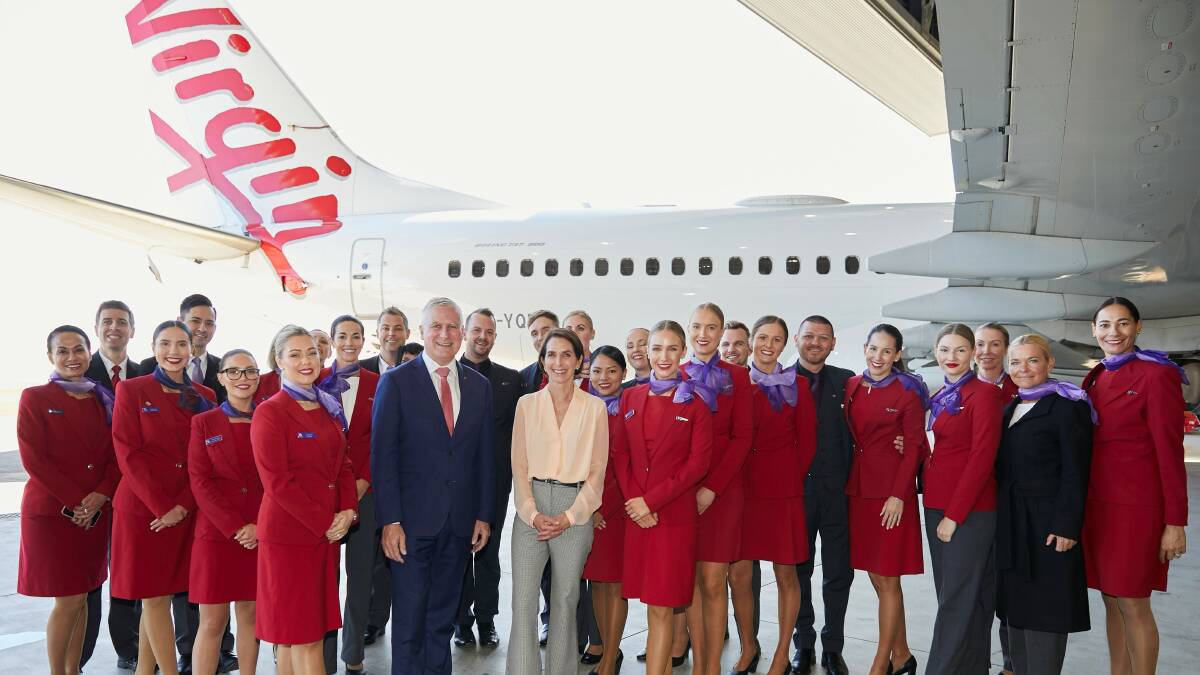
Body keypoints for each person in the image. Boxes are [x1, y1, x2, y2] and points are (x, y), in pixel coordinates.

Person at [371, 297, 495, 674]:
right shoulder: (395, 383)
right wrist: (389, 519)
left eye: (452, 326)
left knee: (442, 618)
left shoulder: (479, 386)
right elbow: (383, 457)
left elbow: (485, 457)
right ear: (421, 332)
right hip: (409, 525)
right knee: (409, 620)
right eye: (436, 326)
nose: (445, 334)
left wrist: (483, 515)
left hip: (458, 525)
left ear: (461, 333)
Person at [1082, 297, 1188, 675]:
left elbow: (1170, 452)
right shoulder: (1096, 376)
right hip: (1098, 507)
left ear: (1138, 327)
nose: (1114, 332)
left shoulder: (1157, 375)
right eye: (1106, 325)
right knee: (1111, 600)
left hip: (1136, 510)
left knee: (1133, 603)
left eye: (1123, 324)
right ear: (1093, 330)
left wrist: (1175, 522)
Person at [251, 325, 357, 675]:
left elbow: (343, 463)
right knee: (304, 638)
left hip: (324, 536)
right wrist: (326, 521)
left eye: (311, 352)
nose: (306, 360)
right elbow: (278, 483)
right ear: (278, 361)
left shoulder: (327, 405)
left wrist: (347, 510)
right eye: (294, 354)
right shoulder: (271, 412)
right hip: (290, 538)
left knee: (299, 636)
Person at [112, 320, 216, 675]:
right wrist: (163, 507)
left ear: (191, 349)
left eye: (181, 344)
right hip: (145, 511)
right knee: (154, 597)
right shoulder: (132, 389)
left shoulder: (206, 397)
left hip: (185, 508)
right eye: (165, 344)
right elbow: (127, 453)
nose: (174, 352)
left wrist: (183, 505)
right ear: (154, 348)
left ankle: (145, 670)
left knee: (160, 594)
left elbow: (206, 460)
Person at [610, 319, 712, 675]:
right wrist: (636, 501)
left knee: (662, 607)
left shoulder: (697, 404)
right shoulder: (630, 397)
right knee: (648, 602)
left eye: (671, 349)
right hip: (638, 516)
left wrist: (650, 503)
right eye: (656, 348)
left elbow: (698, 465)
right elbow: (619, 454)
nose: (663, 356)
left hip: (672, 518)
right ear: (647, 353)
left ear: (683, 353)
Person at [507, 328, 609, 674]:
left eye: (567, 354)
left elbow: (598, 470)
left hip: (574, 507)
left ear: (581, 361)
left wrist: (571, 515)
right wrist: (532, 513)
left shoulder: (594, 408)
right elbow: (518, 465)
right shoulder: (526, 405)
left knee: (565, 601)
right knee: (523, 602)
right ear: (542, 361)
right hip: (530, 506)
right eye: (552, 355)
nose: (559, 362)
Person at [18, 325, 119, 675]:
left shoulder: (102, 399)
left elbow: (115, 456)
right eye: (63, 351)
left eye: (78, 350)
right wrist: (79, 501)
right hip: (54, 514)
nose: (72, 357)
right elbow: (34, 459)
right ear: (51, 357)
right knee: (70, 599)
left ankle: (74, 669)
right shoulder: (35, 398)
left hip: (94, 512)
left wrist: (101, 494)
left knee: (85, 593)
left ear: (89, 353)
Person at [996, 334, 1093, 675]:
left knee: (1046, 610)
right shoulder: (1010, 406)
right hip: (1013, 524)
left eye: (1032, 360)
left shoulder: (1068, 406)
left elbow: (1076, 470)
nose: (1023, 369)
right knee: (1016, 609)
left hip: (1048, 525)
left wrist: (1066, 525)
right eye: (1016, 362)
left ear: (1050, 363)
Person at [729, 316, 817, 675]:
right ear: (751, 342)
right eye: (762, 337)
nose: (769, 344)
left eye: (776, 339)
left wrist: (786, 479)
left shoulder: (798, 385)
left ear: (786, 344)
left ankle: (782, 654)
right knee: (739, 576)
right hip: (743, 490)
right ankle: (749, 645)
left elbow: (807, 444)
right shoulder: (735, 381)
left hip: (782, 493)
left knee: (786, 576)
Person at [922, 324, 1008, 675]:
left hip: (968, 511)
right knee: (965, 597)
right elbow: (937, 445)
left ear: (973, 353)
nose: (951, 357)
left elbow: (981, 459)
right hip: (937, 503)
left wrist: (955, 515)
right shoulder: (941, 393)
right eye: (944, 350)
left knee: (955, 599)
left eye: (960, 350)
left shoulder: (984, 394)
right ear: (935, 353)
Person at [844, 324, 928, 675]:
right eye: (873, 349)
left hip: (891, 493)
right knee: (876, 578)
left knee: (889, 577)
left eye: (886, 351)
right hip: (860, 489)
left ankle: (881, 663)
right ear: (865, 348)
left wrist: (898, 495)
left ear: (897, 355)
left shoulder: (908, 392)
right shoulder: (852, 385)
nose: (878, 357)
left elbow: (912, 450)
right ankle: (902, 654)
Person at [680, 304, 753, 675]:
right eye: (697, 326)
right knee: (690, 581)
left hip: (722, 493)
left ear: (722, 330)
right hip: (682, 495)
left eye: (711, 327)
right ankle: (698, 666)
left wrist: (712, 489)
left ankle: (712, 667)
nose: (703, 334)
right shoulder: (675, 373)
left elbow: (742, 439)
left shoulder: (738, 377)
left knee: (713, 582)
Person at [187, 349, 264, 675]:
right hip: (218, 535)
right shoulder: (203, 423)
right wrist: (236, 527)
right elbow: (200, 481)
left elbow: (280, 478)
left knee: (250, 615)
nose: (242, 378)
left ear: (258, 377)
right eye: (234, 371)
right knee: (212, 621)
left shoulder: (269, 418)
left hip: (261, 533)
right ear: (220, 378)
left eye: (249, 371)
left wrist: (260, 525)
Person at [789, 315, 856, 675]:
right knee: (799, 572)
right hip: (796, 495)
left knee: (838, 573)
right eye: (809, 336)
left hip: (838, 495)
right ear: (797, 339)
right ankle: (804, 644)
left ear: (833, 344)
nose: (816, 343)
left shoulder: (848, 383)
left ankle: (833, 646)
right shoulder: (780, 382)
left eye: (823, 338)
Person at [456, 309, 523, 649]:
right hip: (455, 484)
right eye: (477, 330)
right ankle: (461, 621)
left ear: (495, 337)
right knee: (457, 553)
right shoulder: (449, 375)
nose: (483, 336)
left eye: (489, 331)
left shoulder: (510, 380)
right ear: (465, 333)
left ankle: (486, 619)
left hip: (495, 483)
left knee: (487, 552)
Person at [81, 301, 142, 672]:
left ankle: (129, 647)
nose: (114, 328)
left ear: (132, 330)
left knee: (128, 576)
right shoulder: (76, 369)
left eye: (122, 322)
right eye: (107, 322)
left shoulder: (143, 373)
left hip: (132, 491)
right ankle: (80, 654)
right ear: (97, 328)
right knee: (88, 580)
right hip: (91, 494)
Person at [321, 316, 382, 674]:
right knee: (327, 580)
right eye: (342, 336)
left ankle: (353, 653)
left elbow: (382, 439)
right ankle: (325, 657)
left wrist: (362, 483)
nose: (349, 342)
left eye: (355, 336)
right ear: (331, 340)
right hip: (325, 496)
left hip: (365, 492)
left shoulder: (379, 383)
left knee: (361, 578)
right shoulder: (315, 381)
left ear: (364, 341)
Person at [582, 346, 632, 675]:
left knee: (614, 585)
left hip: (615, 512)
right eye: (597, 371)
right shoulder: (581, 409)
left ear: (623, 375)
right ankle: (606, 653)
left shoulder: (630, 410)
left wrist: (604, 508)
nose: (604, 378)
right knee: (596, 583)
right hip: (587, 509)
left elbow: (625, 465)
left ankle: (611, 657)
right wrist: (587, 506)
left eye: (612, 371)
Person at [973, 321, 1018, 675]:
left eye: (995, 344)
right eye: (980, 344)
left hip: (1010, 500)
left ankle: (1011, 663)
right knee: (974, 587)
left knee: (1007, 585)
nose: (987, 351)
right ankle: (975, 660)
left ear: (1006, 349)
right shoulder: (956, 389)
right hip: (970, 503)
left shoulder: (1020, 390)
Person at [359, 307, 411, 373]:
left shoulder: (419, 370)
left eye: (398, 328)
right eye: (386, 328)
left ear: (407, 334)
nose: (391, 333)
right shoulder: (359, 370)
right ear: (377, 333)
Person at [518, 309, 559, 392]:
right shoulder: (522, 377)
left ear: (559, 331)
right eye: (534, 334)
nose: (540, 338)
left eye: (546, 330)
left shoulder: (577, 371)